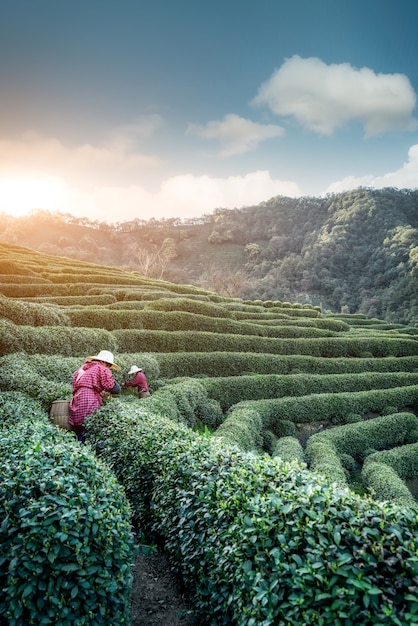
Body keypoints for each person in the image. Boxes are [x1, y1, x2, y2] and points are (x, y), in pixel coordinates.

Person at [69, 349, 121, 442]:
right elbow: (110, 385)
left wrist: (98, 390)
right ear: (103, 362)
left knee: (78, 428)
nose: (108, 367)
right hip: (89, 400)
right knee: (87, 426)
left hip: (77, 398)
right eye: (108, 365)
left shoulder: (82, 368)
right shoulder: (101, 368)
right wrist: (116, 388)